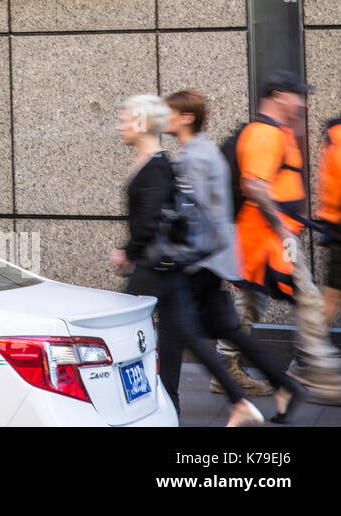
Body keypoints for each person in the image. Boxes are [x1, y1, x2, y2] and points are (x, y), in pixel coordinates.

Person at [109, 94, 262, 425]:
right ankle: (238, 405)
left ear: (140, 123)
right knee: (186, 336)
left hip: (154, 268)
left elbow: (149, 224)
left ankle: (124, 406)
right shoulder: (158, 163)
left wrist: (128, 253)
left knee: (118, 329)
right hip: (167, 269)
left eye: (124, 119)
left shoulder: (156, 168)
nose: (120, 125)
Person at [165, 89, 304, 422]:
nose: (164, 118)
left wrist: (173, 247)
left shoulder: (194, 156)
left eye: (169, 113)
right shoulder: (201, 150)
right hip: (213, 257)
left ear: (186, 118)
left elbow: (192, 212)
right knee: (226, 328)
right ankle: (281, 383)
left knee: (180, 331)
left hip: (202, 258)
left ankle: (196, 405)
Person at [218, 70, 341, 398]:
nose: (301, 102)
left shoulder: (278, 132)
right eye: (296, 95)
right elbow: (254, 185)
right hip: (267, 238)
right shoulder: (264, 134)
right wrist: (283, 228)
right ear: (278, 96)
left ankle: (225, 367)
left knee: (248, 305)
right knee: (308, 298)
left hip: (266, 239)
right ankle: (321, 373)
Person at [319, 117, 341, 325]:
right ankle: (308, 350)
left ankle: (308, 350)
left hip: (335, 226)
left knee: (333, 293)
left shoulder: (334, 136)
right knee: (333, 293)